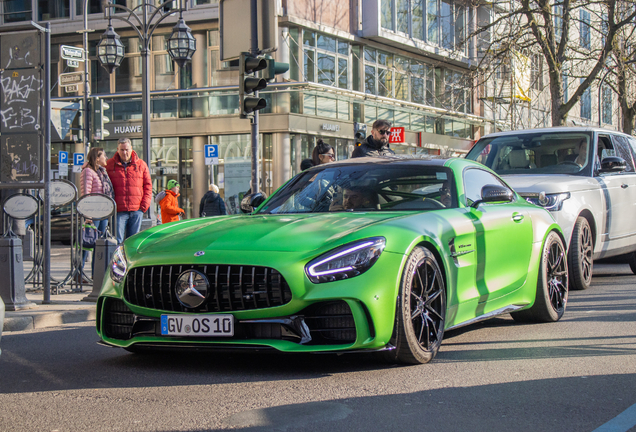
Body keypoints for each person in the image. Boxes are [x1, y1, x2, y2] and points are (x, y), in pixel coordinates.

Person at [107, 137, 152, 244]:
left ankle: (130, 261)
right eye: (122, 150)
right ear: (117, 149)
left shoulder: (141, 164)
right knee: (117, 241)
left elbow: (148, 186)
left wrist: (143, 206)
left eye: (127, 149)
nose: (125, 152)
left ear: (131, 149)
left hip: (137, 210)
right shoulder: (109, 164)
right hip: (118, 210)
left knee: (133, 242)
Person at [79, 147, 114, 279]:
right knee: (87, 243)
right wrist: (87, 215)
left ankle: (97, 274)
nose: (106, 158)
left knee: (99, 245)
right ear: (97, 158)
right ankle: (79, 272)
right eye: (104, 156)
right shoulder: (88, 171)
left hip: (103, 212)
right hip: (93, 213)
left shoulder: (101, 172)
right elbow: (85, 193)